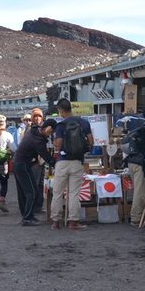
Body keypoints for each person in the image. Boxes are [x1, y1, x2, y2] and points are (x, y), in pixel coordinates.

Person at [51, 98, 93, 230]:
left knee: (57, 193)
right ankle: (73, 221)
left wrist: (55, 143)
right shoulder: (83, 122)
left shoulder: (61, 125)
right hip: (77, 162)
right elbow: (91, 141)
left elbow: (58, 144)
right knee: (74, 193)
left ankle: (56, 222)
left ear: (61, 110)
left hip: (62, 162)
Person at [13, 119, 57, 226]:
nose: (50, 135)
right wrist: (57, 164)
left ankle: (27, 216)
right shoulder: (38, 140)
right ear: (48, 129)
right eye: (51, 132)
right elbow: (45, 156)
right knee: (31, 192)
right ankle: (27, 218)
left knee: (24, 192)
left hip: (19, 164)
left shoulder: (34, 131)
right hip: (23, 165)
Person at [123, 114, 145, 226]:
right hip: (140, 163)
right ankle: (136, 217)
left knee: (137, 190)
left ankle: (137, 216)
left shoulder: (136, 130)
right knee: (140, 191)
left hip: (131, 162)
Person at [29, 108, 47, 214]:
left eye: (39, 116)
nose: (37, 118)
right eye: (35, 116)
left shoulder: (43, 128)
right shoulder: (30, 129)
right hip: (33, 160)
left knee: (40, 184)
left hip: (42, 160)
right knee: (34, 184)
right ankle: (33, 206)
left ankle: (39, 206)